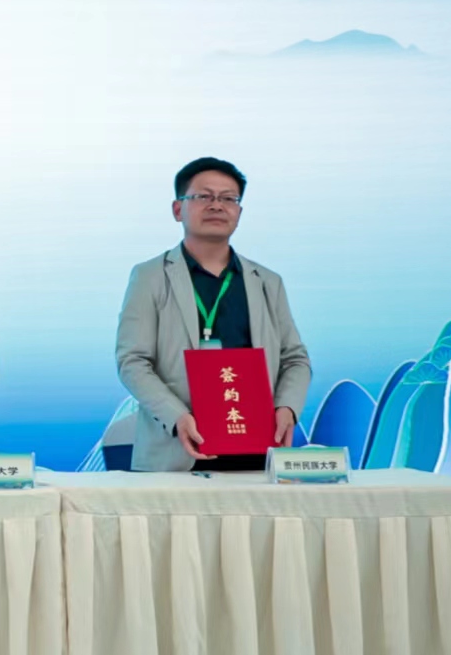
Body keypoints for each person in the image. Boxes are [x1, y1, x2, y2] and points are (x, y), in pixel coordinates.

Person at [115, 157, 310, 472]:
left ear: (239, 213)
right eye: (203, 196)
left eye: (228, 198)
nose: (217, 205)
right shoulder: (150, 276)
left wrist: (286, 407)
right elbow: (133, 362)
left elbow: (295, 359)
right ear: (177, 209)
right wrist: (177, 417)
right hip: (178, 452)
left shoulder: (267, 281)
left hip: (258, 451)